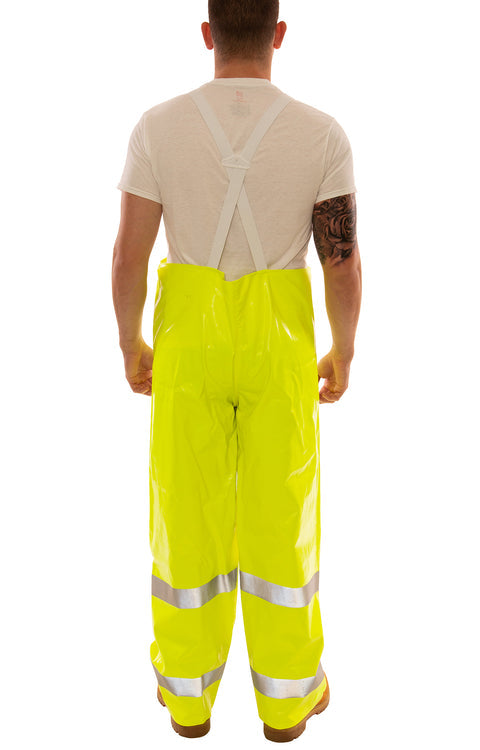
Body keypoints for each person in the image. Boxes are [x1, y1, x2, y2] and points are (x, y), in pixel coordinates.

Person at [112, 0, 362, 742]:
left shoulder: (156, 128)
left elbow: (128, 256)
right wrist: (344, 350)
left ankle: (188, 701)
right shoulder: (322, 134)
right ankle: (288, 704)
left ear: (208, 33)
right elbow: (342, 263)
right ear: (278, 33)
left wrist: (129, 343)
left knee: (184, 513)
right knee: (282, 517)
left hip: (187, 341)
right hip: (278, 344)